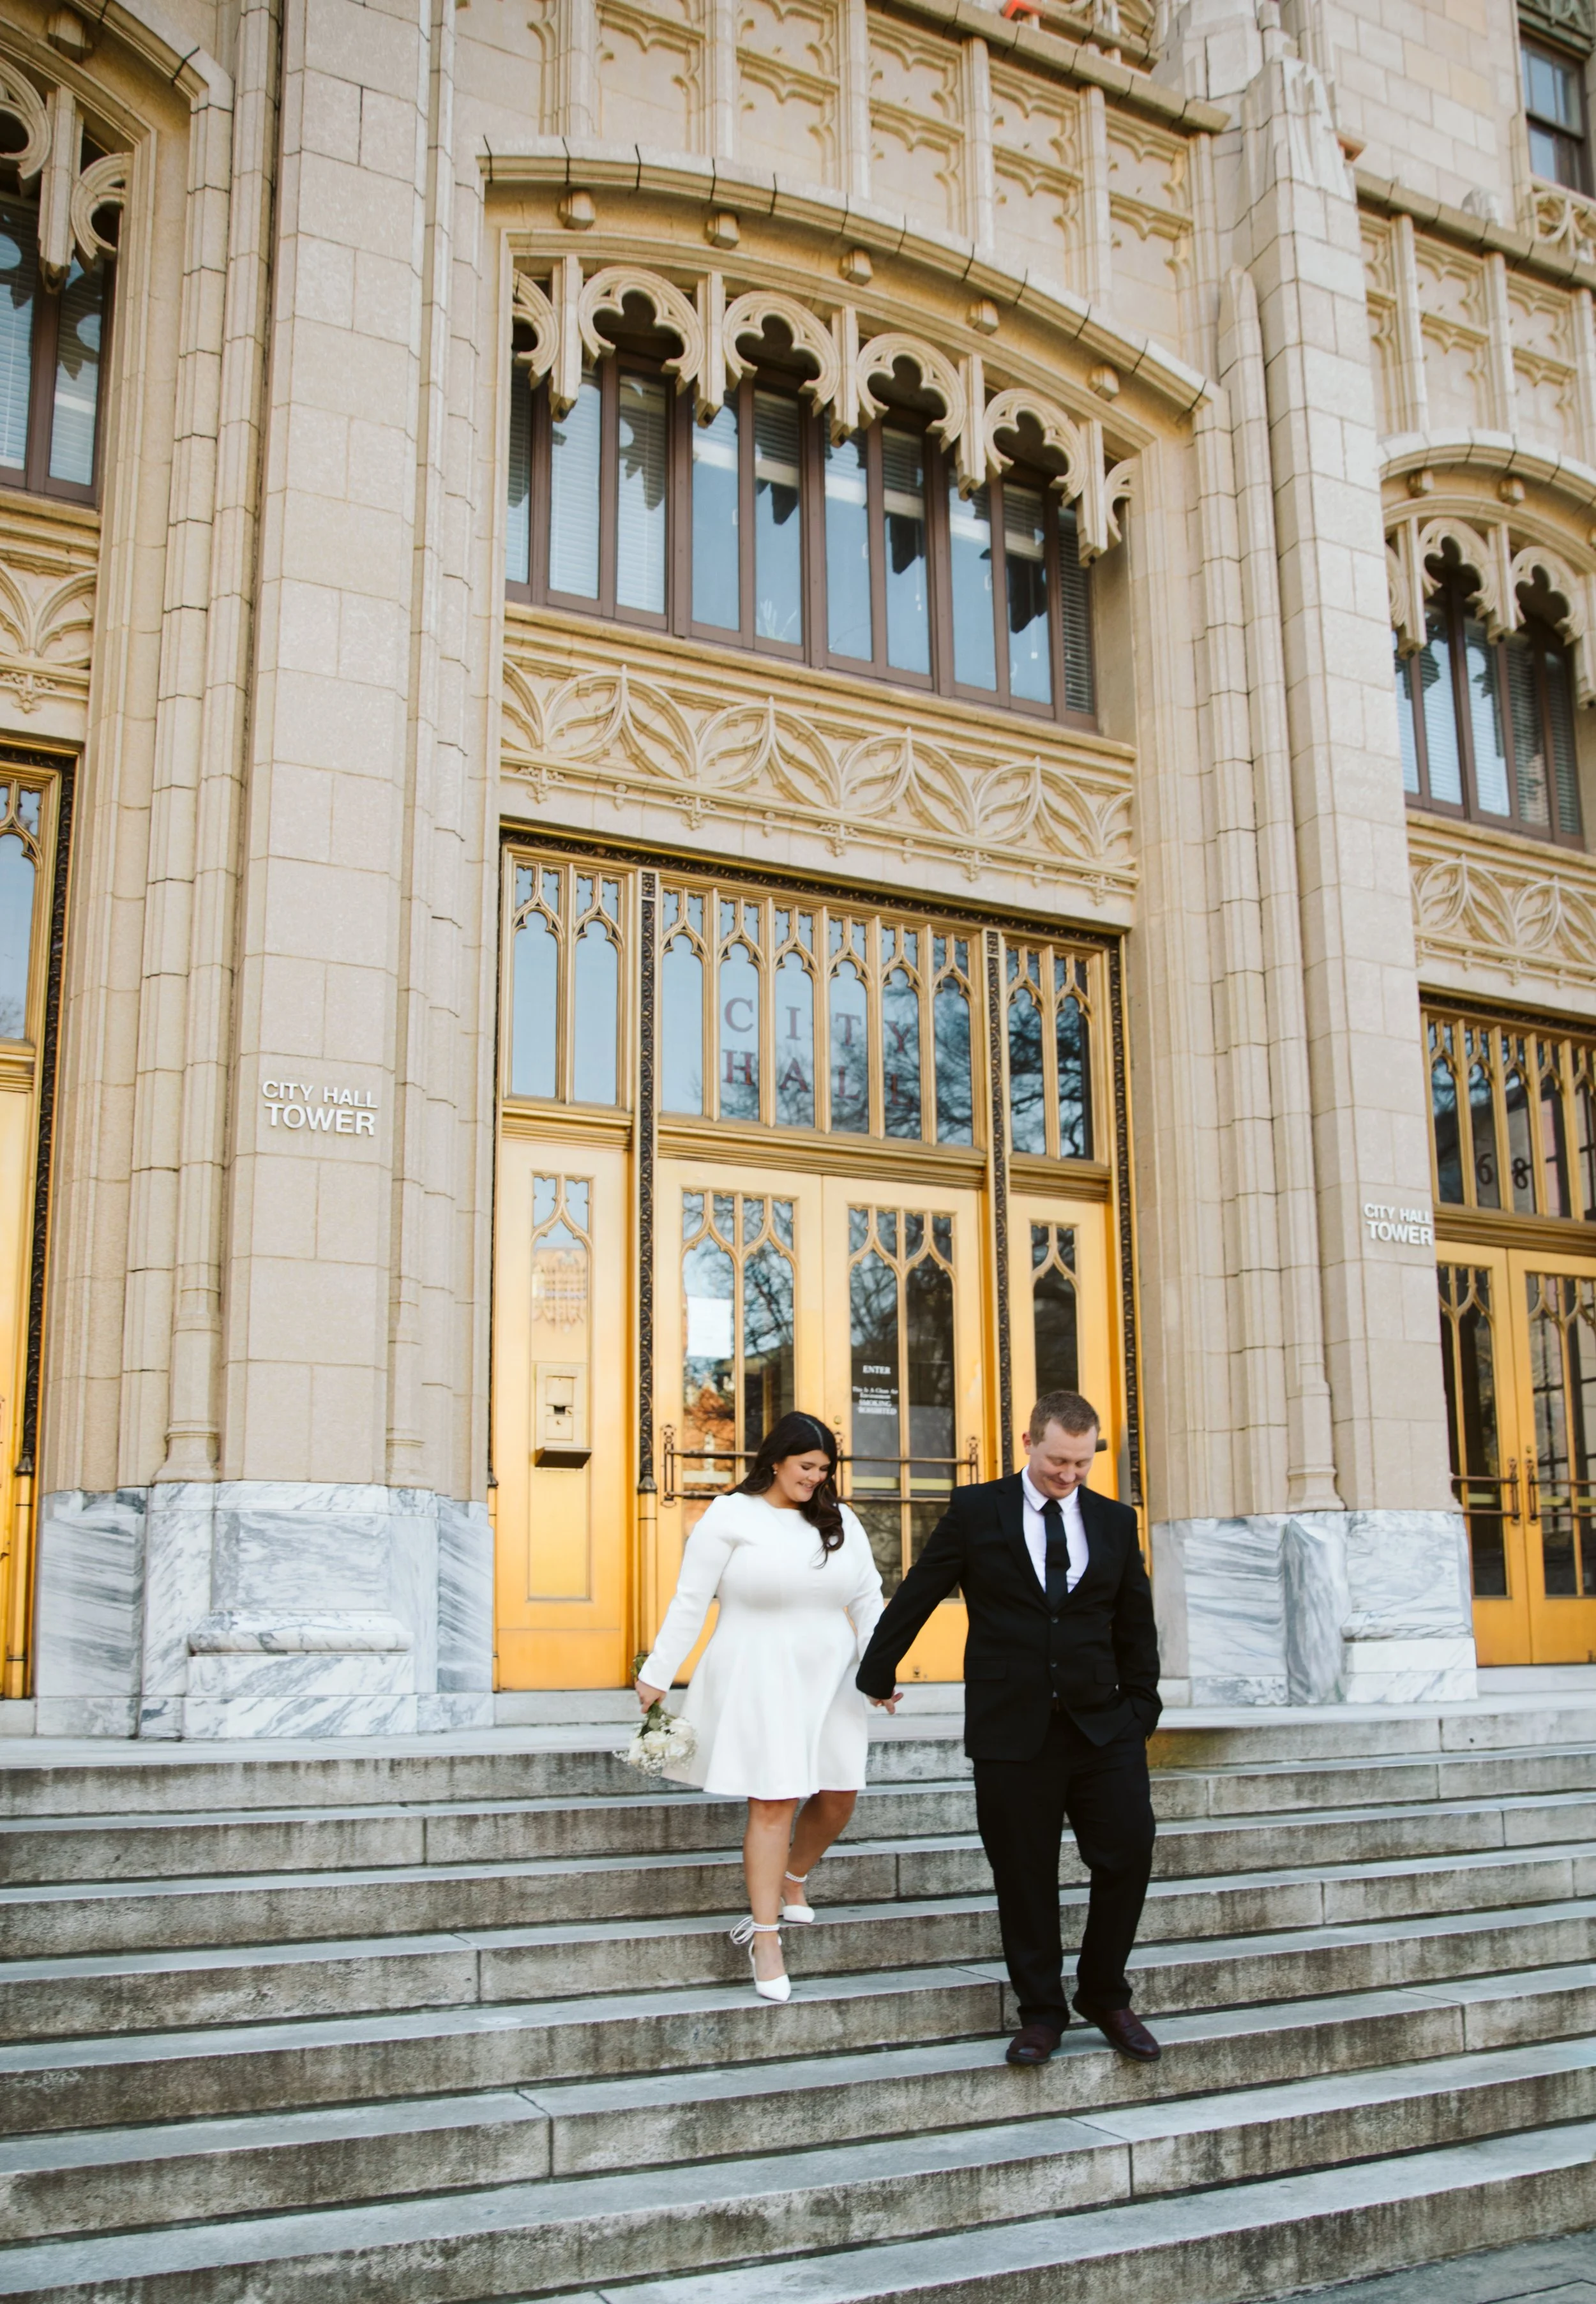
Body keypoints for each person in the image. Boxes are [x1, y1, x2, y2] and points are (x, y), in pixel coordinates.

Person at [855, 1388, 1161, 2066]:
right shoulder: (976, 1510)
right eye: (1058, 1461)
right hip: (1011, 1730)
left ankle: (1104, 1993)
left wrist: (1142, 1708)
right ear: (1028, 1443)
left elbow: (1135, 1620)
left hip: (1103, 1726)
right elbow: (921, 1588)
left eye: (1081, 1463)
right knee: (1024, 1875)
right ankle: (1041, 2013)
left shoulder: (1114, 1521)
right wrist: (877, 1670)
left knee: (1129, 1852)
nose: (1069, 1475)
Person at [635, 1410, 889, 2003]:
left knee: (840, 1793)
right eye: (807, 1466)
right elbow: (691, 1599)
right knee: (774, 1798)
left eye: (824, 1470)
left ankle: (792, 1878)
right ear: (775, 1460)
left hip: (833, 1673)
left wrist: (881, 1669)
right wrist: (658, 1671)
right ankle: (765, 1936)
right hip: (759, 1669)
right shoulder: (730, 1514)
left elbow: (869, 1599)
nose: (816, 1479)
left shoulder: (842, 1519)